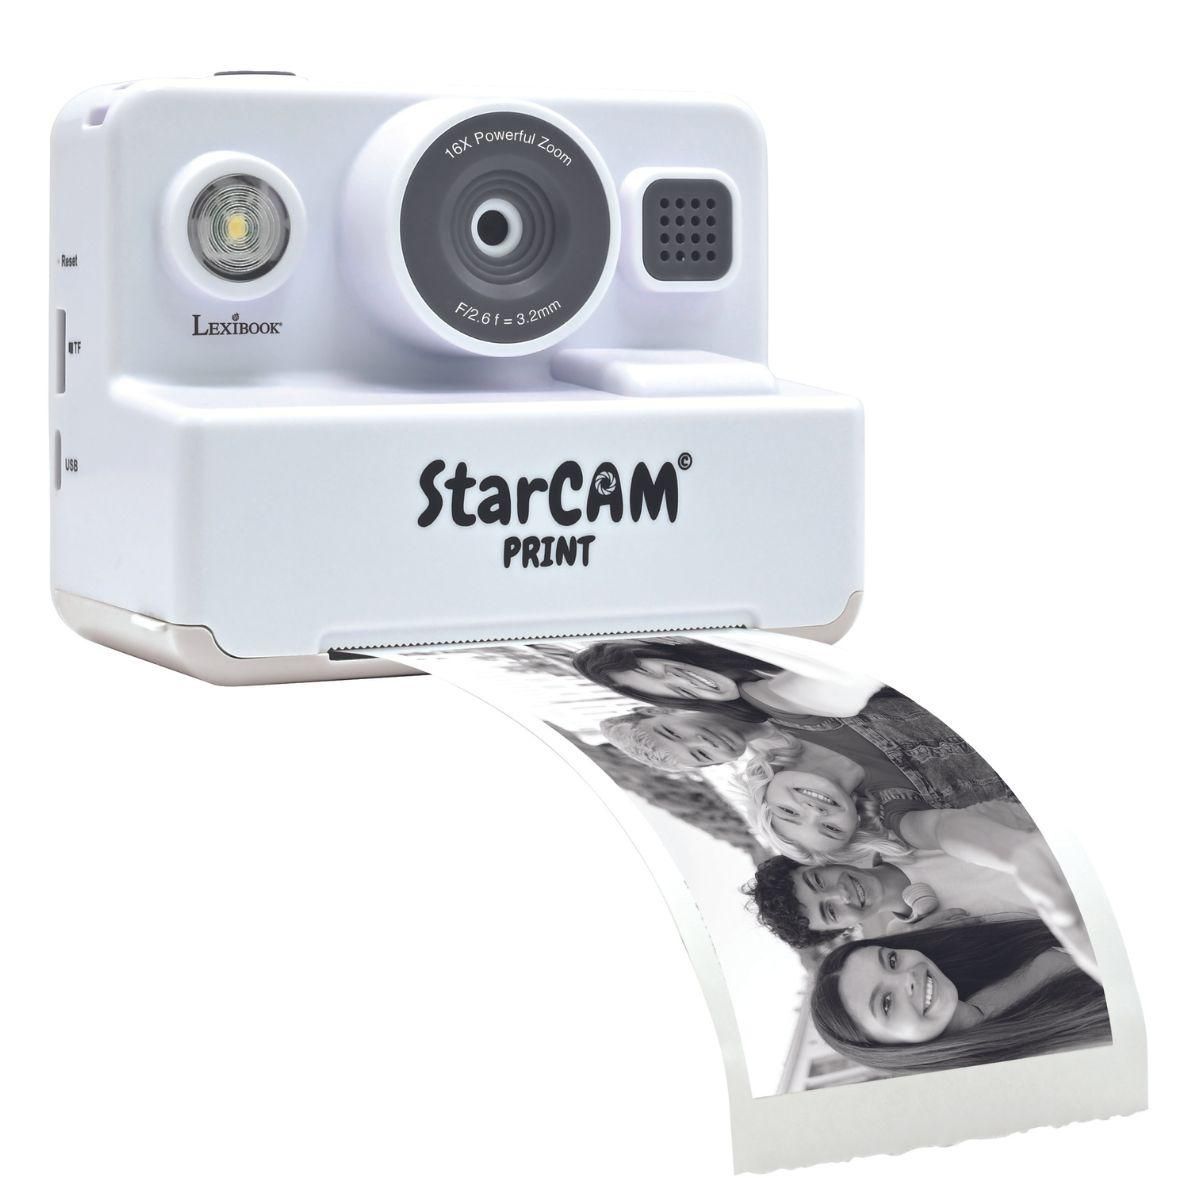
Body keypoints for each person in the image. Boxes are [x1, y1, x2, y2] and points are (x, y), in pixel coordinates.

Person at [809, 919, 1110, 1074]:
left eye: (891, 960)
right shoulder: (1012, 1075)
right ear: (885, 1049)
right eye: (886, 1003)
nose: (907, 978)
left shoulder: (990, 959)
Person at [744, 853, 1035, 951]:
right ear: (843, 930)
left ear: (821, 862)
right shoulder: (924, 939)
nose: (840, 894)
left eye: (818, 881)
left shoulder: (908, 834)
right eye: (830, 912)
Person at [572, 638, 880, 724]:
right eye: (679, 691)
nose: (688, 680)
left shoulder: (751, 653)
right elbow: (851, 677)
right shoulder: (769, 696)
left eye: (648, 669)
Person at [599, 707, 857, 777]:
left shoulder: (762, 687)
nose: (704, 742)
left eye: (673, 733)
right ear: (719, 763)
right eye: (701, 755)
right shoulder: (794, 765)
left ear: (657, 710)